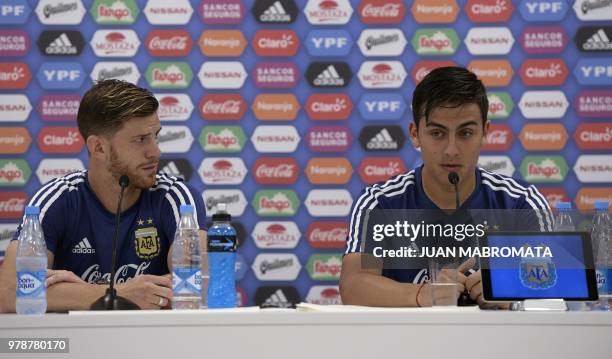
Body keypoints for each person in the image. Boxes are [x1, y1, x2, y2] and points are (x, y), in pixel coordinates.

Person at [340, 67, 553, 307]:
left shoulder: (520, 202)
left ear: (485, 132)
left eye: (465, 133)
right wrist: (422, 294)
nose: (451, 149)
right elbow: (353, 285)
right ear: (415, 134)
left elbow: (558, 283)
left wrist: (510, 286)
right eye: (437, 133)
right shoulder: (380, 203)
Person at [0, 80, 207, 312]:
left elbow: (195, 288)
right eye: (141, 140)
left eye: (155, 136)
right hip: (77, 345)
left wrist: (76, 293)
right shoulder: (57, 199)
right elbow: (9, 293)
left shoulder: (177, 197)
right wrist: (117, 294)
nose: (155, 152)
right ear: (98, 148)